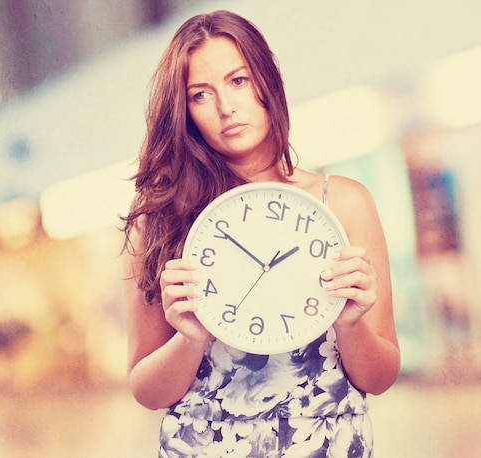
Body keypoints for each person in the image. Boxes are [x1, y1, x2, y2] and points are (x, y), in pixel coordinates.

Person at [122, 10, 400, 457]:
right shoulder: (161, 219)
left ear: (267, 82)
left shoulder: (344, 204)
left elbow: (380, 377)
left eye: (238, 81)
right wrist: (190, 338)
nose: (226, 108)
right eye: (200, 94)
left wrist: (351, 325)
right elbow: (147, 390)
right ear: (185, 111)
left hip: (325, 444)